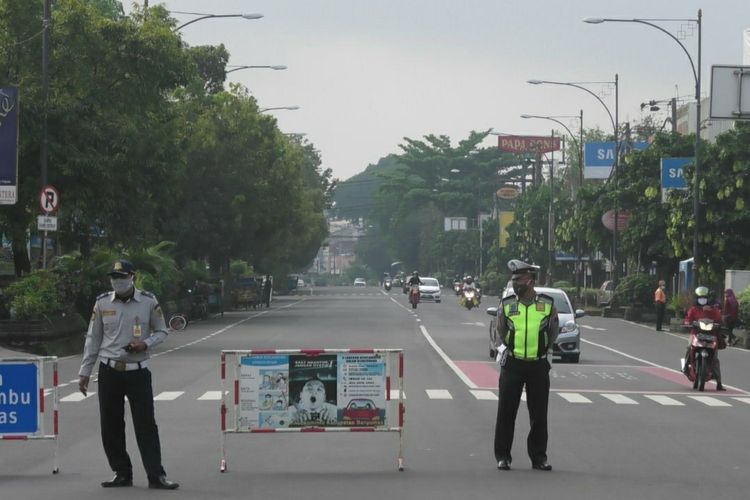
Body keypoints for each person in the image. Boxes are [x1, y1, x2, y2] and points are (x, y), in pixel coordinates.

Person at [78, 259, 179, 489]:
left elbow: (162, 330)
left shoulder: (148, 301)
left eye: (122, 277)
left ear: (132, 277)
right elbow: (93, 339)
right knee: (110, 425)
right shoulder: (102, 303)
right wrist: (85, 371)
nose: (117, 282)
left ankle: (156, 476)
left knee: (146, 425)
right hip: (109, 370)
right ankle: (122, 473)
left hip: (138, 372)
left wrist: (145, 344)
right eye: (114, 278)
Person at [494, 259, 558, 472]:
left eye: (518, 280)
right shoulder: (507, 304)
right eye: (513, 280)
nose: (515, 284)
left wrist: (542, 350)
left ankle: (539, 457)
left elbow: (553, 332)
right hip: (512, 364)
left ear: (530, 281)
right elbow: (501, 331)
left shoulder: (547, 305)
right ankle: (503, 456)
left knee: (539, 415)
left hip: (538, 366)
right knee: (506, 412)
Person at [683, 286, 725, 391]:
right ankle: (685, 366)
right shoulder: (693, 309)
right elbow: (688, 319)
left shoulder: (713, 309)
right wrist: (688, 323)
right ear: (697, 298)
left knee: (715, 358)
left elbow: (719, 319)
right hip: (696, 333)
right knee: (689, 348)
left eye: (704, 297)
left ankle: (719, 383)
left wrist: (719, 324)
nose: (702, 299)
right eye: (700, 297)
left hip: (711, 334)